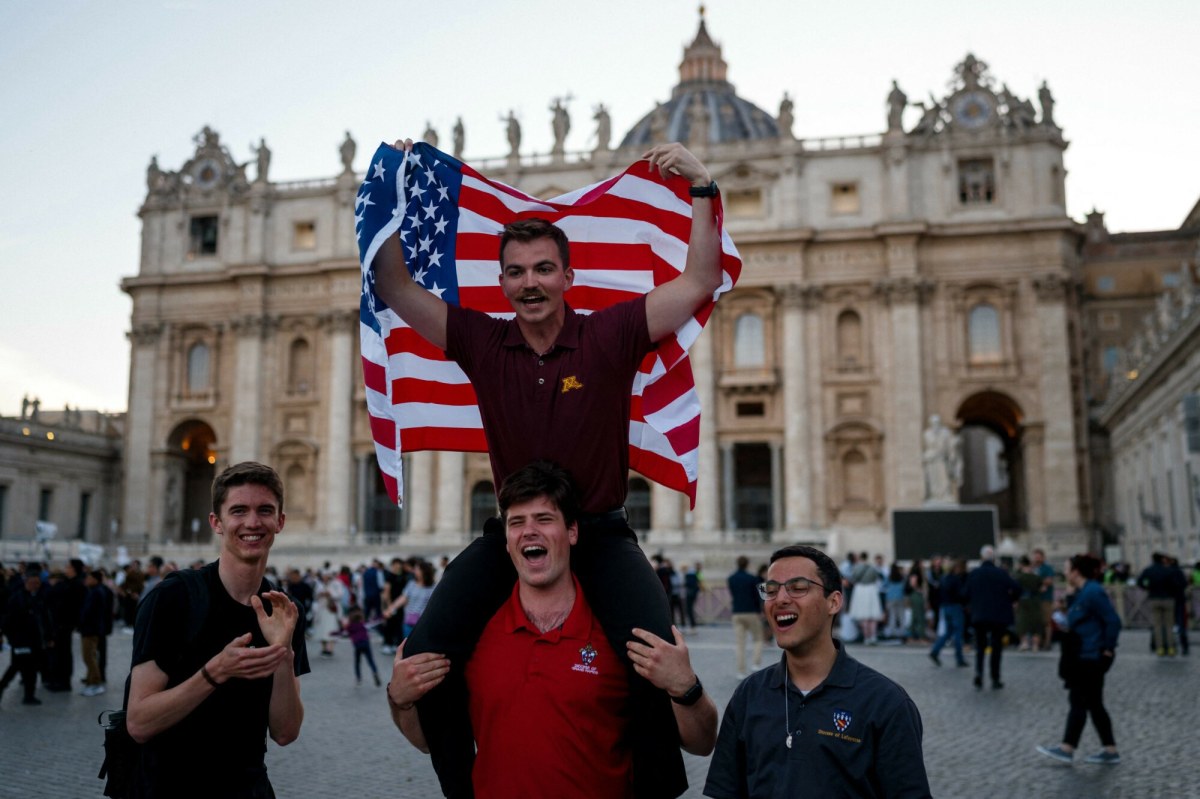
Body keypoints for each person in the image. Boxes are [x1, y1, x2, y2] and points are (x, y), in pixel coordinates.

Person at [372, 139, 723, 799]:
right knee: (424, 658)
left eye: (542, 268)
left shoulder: (610, 334)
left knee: (652, 658)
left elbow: (700, 280)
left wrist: (703, 187)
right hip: (518, 532)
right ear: (502, 281)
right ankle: (463, 783)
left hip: (602, 530)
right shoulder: (481, 339)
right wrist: (389, 189)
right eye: (516, 271)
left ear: (567, 276)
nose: (529, 281)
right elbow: (393, 284)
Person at [388, 462, 717, 798]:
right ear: (505, 540)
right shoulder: (474, 632)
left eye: (544, 519)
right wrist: (401, 702)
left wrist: (686, 689)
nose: (530, 531)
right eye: (517, 522)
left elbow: (702, 743)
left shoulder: (621, 633)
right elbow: (427, 741)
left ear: (572, 531)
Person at [125, 462, 308, 798]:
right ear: (217, 523)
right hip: (168, 788)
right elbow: (138, 723)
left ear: (280, 522)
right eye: (239, 511)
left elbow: (285, 732)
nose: (252, 522)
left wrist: (283, 655)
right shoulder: (173, 599)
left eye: (264, 511)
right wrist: (215, 671)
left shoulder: (283, 609)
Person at [704, 544, 931, 798]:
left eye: (798, 588)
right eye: (771, 589)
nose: (780, 599)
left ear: (833, 602)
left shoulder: (886, 703)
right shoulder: (748, 695)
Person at [1036, 553, 1122, 765]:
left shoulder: (1093, 592)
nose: (1064, 573)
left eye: (1066, 569)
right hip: (1082, 653)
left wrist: (1108, 649)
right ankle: (1110, 750)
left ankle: (1067, 747)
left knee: (1079, 701)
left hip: (1090, 655)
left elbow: (1112, 620)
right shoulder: (1083, 592)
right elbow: (1077, 620)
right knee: (1094, 704)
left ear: (1076, 571)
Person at [964, 545, 1021, 689]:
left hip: (979, 614)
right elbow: (1017, 588)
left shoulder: (975, 573)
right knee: (996, 648)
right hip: (998, 615)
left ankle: (979, 673)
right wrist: (1011, 600)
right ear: (993, 558)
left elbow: (964, 593)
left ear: (982, 557)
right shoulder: (1001, 573)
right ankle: (995, 677)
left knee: (980, 647)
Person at [0, 566, 52, 706]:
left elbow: (41, 619)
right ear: (27, 582)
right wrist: (14, 640)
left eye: (37, 582)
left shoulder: (35, 597)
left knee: (29, 669)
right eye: (33, 582)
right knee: (16, 668)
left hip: (33, 641)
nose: (35, 585)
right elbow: (8, 621)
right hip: (21, 641)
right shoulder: (17, 599)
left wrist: (47, 637)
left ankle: (29, 695)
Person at [1138, 552, 1184, 656]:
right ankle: (1171, 647)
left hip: (1154, 599)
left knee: (1157, 625)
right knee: (1169, 625)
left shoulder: (1149, 570)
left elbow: (1140, 582)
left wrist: (1148, 588)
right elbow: (1176, 584)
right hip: (1168, 599)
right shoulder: (1168, 570)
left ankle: (1160, 648)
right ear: (1162, 559)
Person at [928, 558, 969, 667]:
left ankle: (935, 651)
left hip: (945, 606)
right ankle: (959, 658)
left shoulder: (943, 578)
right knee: (958, 633)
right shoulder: (956, 580)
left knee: (948, 632)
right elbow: (961, 594)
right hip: (955, 606)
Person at [79, 568, 113, 696]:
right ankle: (90, 680)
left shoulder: (97, 592)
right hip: (91, 629)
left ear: (95, 579)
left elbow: (91, 613)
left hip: (91, 630)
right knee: (89, 656)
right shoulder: (94, 591)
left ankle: (95, 682)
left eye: (89, 578)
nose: (86, 580)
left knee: (90, 657)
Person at [729, 556, 764, 678]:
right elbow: (757, 596)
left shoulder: (731, 578)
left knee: (740, 644)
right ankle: (755, 663)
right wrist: (760, 610)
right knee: (758, 639)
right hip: (751, 611)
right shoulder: (752, 578)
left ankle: (741, 671)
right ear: (747, 564)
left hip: (737, 612)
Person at [847, 553, 883, 644]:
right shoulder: (872, 568)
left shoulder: (856, 567)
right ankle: (873, 637)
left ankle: (867, 638)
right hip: (872, 590)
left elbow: (853, 578)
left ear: (860, 558)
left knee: (864, 617)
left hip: (861, 590)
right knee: (873, 616)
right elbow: (876, 578)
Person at [344, 608, 381, 687]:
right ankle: (375, 672)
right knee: (370, 660)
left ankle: (358, 678)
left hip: (357, 645)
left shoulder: (350, 626)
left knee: (357, 662)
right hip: (365, 643)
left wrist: (333, 633)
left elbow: (342, 632)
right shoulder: (363, 624)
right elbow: (374, 622)